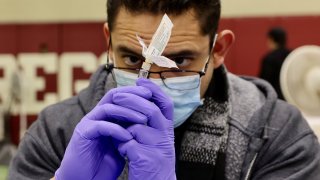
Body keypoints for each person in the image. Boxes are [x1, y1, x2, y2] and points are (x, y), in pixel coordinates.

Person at [8, 1, 320, 180]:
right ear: (108, 41)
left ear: (219, 48)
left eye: (180, 60)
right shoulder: (56, 132)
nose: (152, 81)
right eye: (132, 58)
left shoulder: (276, 134)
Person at [259, 27, 291, 100]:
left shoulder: (269, 59)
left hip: (275, 99)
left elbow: (263, 82)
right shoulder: (292, 55)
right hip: (291, 98)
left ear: (271, 39)